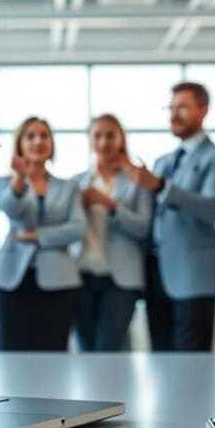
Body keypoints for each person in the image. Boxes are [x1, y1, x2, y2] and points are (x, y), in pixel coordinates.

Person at [125, 82, 215, 351]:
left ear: (203, 110)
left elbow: (210, 208)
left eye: (182, 107)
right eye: (171, 108)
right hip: (156, 272)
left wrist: (161, 186)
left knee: (191, 362)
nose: (174, 115)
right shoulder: (163, 161)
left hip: (193, 275)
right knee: (160, 358)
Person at [0, 117, 85, 351]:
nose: (38, 141)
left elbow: (78, 228)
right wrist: (19, 181)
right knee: (9, 353)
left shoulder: (69, 187)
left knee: (53, 352)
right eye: (30, 136)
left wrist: (37, 236)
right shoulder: (6, 183)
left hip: (58, 282)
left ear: (52, 143)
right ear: (19, 143)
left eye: (44, 135)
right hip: (13, 281)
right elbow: (16, 213)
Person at [72, 114, 153, 351]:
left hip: (121, 280)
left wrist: (111, 205)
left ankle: (114, 389)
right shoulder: (77, 183)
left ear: (121, 139)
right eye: (98, 135)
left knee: (110, 348)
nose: (104, 141)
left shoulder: (137, 181)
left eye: (110, 135)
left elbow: (143, 228)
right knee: (85, 349)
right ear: (90, 140)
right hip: (81, 276)